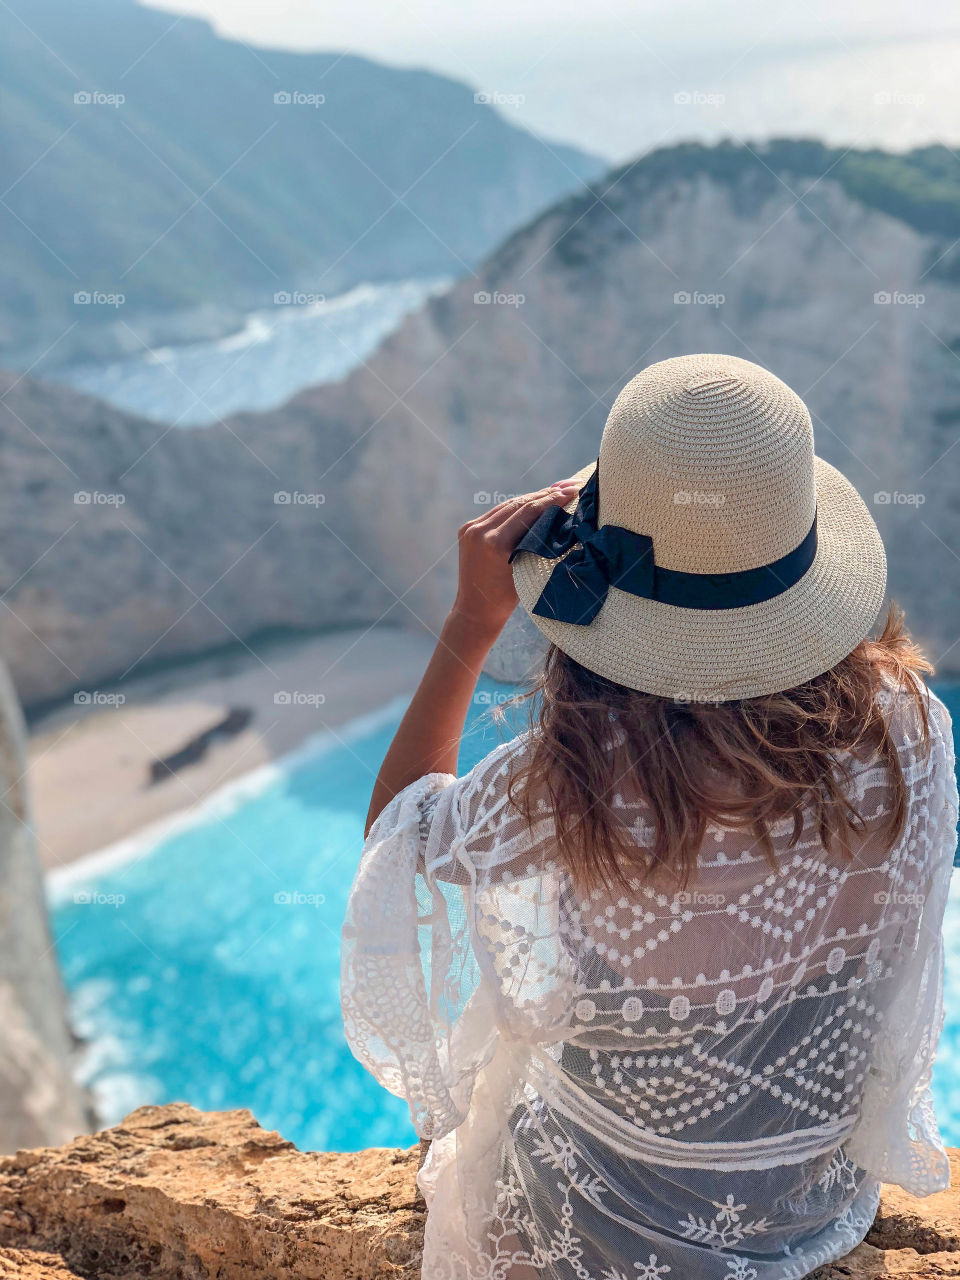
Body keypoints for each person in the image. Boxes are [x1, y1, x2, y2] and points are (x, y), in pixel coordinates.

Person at [341, 354, 957, 1280]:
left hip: (605, 1227)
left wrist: (471, 623)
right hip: (807, 1201)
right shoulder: (908, 726)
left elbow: (400, 832)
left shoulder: (572, 782)